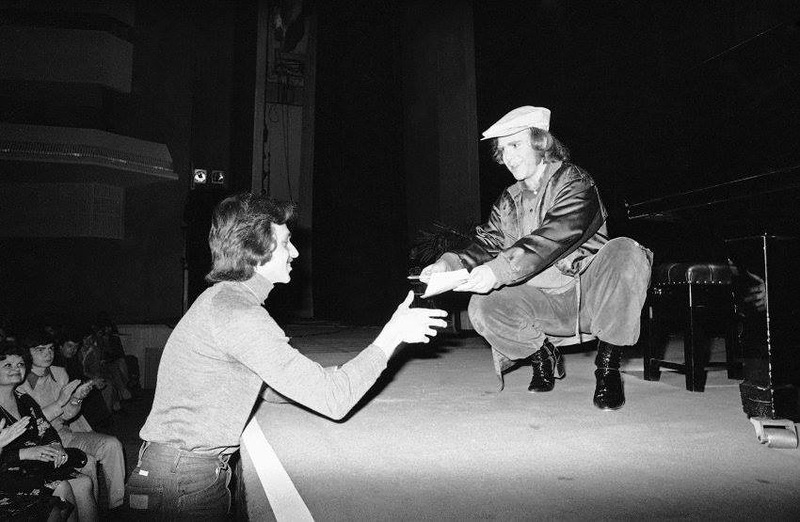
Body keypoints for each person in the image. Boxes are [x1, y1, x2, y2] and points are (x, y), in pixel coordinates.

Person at [127, 193, 447, 519]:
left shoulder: (224, 300)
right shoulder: (238, 312)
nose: (294, 252)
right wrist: (392, 336)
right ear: (256, 251)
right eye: (285, 243)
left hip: (181, 474)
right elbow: (333, 400)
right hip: (182, 484)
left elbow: (270, 388)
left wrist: (335, 377)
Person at [421, 106, 652, 410]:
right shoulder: (508, 200)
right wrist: (449, 264)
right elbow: (488, 243)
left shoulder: (575, 181)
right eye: (502, 150)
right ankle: (541, 354)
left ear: (540, 142)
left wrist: (498, 271)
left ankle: (608, 368)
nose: (508, 157)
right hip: (542, 303)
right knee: (483, 306)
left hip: (589, 296)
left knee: (627, 252)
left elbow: (553, 235)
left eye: (515, 145)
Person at [17, 330, 126, 512]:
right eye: (40, 349)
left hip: (64, 434)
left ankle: (118, 505)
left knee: (112, 444)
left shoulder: (59, 373)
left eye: (50, 348)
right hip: (39, 442)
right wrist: (60, 402)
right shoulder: (18, 381)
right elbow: (30, 423)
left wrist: (76, 399)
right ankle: (90, 510)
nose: (48, 354)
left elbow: (67, 415)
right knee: (88, 462)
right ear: (27, 353)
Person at [0, 340, 97, 521]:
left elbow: (45, 428)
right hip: (7, 471)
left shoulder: (24, 400)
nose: (16, 369)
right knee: (61, 486)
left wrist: (55, 445)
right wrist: (25, 453)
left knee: (84, 482)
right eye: (8, 365)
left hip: (33, 464)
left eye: (20, 364)